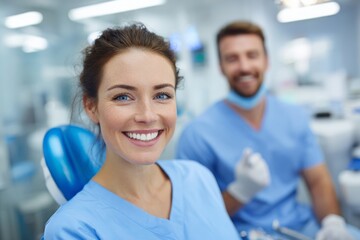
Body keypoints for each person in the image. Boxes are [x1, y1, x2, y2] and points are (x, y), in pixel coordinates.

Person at [42, 23, 239, 239]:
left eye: (162, 95)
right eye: (123, 97)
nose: (147, 115)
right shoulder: (74, 229)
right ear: (92, 107)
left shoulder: (197, 178)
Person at [176, 20, 360, 239]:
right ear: (221, 67)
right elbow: (195, 216)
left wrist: (333, 223)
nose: (244, 67)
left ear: (266, 61)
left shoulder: (294, 116)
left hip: (301, 227)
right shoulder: (197, 134)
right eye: (232, 58)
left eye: (252, 55)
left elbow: (318, 180)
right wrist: (240, 192)